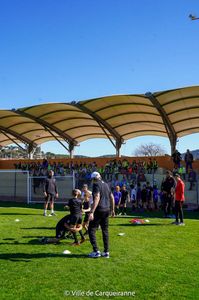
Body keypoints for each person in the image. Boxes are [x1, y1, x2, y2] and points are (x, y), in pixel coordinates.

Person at [88, 171, 115, 258]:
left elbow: (97, 197)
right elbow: (112, 197)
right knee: (105, 231)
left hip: (99, 209)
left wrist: (92, 211)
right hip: (106, 209)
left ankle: (96, 251)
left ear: (94, 179)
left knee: (91, 230)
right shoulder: (106, 185)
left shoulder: (96, 185)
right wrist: (113, 209)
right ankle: (106, 252)